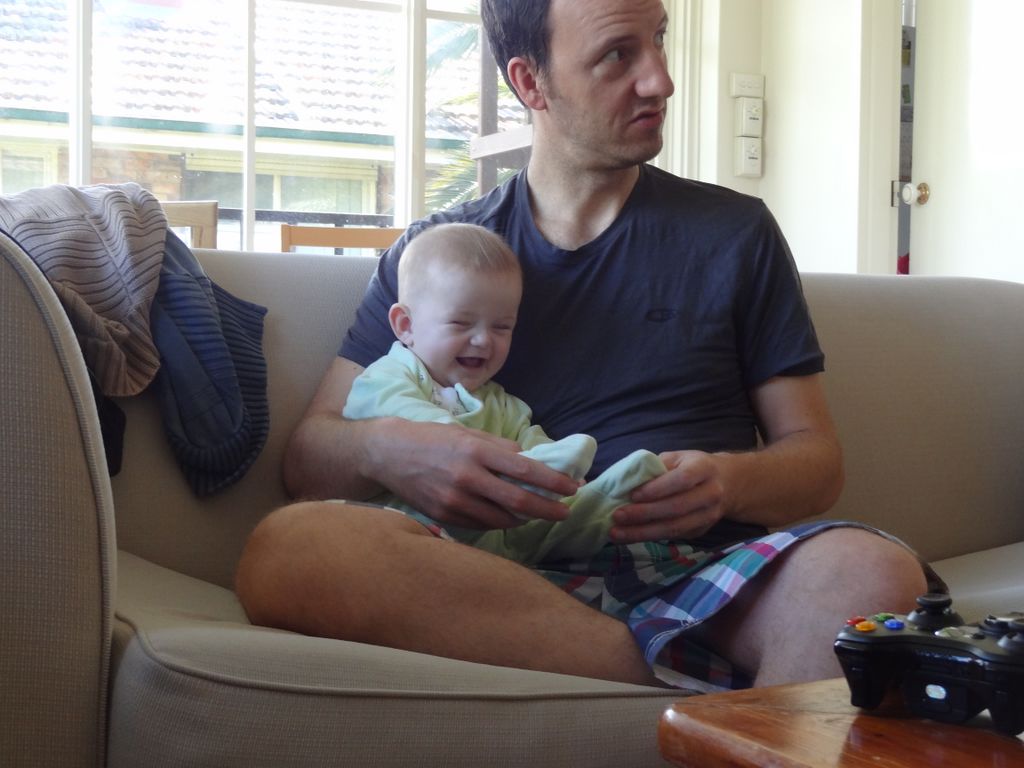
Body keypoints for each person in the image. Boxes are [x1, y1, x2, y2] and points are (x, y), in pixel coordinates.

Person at [236, 0, 940, 691]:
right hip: (482, 572)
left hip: (692, 575)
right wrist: (392, 450)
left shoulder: (735, 234)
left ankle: (677, 686)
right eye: (617, 55)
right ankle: (682, 689)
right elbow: (309, 459)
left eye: (658, 40)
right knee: (291, 548)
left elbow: (816, 462)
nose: (660, 79)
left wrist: (728, 482)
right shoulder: (438, 257)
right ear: (530, 82)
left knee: (868, 571)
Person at [343, 221, 667, 565]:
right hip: (410, 533)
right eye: (461, 322)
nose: (484, 339)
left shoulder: (500, 403)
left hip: (497, 545)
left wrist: (554, 471)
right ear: (406, 326)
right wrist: (463, 446)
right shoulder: (392, 375)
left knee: (548, 513)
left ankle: (604, 502)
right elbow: (396, 410)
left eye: (502, 326)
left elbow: (528, 438)